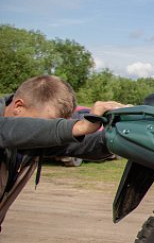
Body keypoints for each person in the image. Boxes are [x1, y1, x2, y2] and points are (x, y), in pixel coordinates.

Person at [0, 75, 125, 230]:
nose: (51, 132)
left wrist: (122, 135)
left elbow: (87, 145)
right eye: (50, 124)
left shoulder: (33, 142)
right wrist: (79, 126)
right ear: (18, 106)